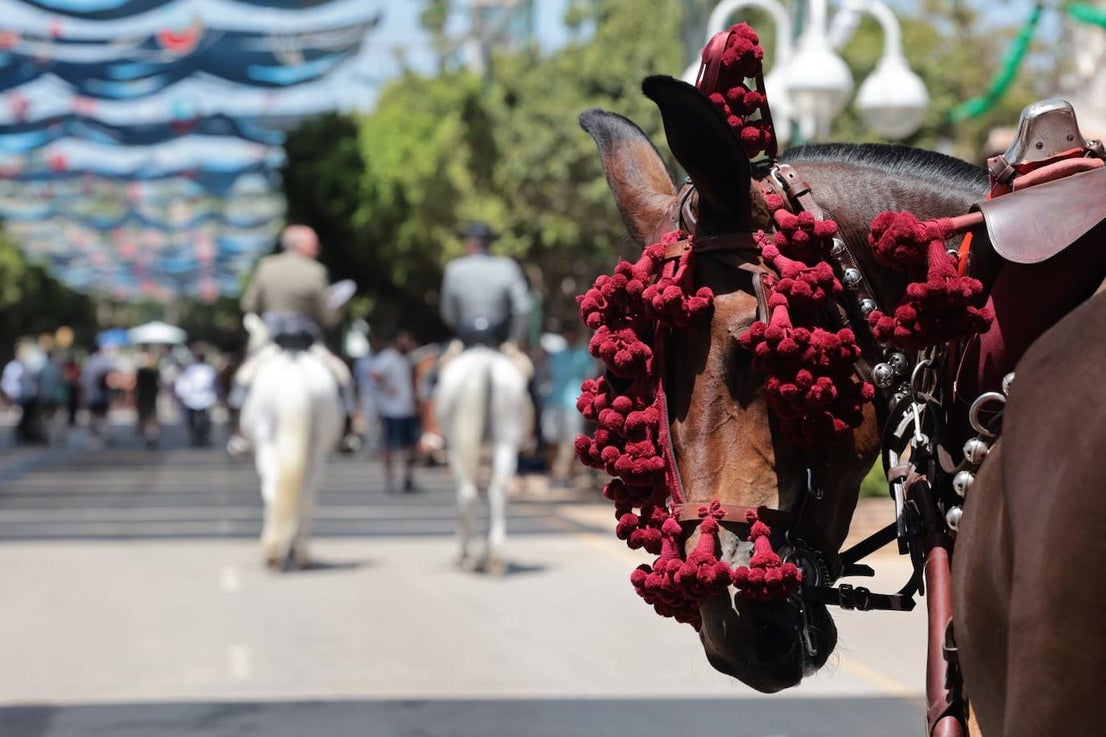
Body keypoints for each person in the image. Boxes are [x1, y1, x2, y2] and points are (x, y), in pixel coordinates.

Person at [231, 224, 355, 453]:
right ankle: (348, 431)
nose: (317, 249)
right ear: (299, 245)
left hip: (272, 338)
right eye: (313, 244)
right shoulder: (316, 270)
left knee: (244, 377)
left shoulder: (266, 266)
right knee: (341, 376)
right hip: (307, 339)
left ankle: (238, 432)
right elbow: (326, 317)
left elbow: (249, 305)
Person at [439, 222, 532, 354]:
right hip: (499, 339)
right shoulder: (507, 266)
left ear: (469, 242)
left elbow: (448, 313)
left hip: (466, 338)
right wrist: (514, 339)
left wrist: (459, 326)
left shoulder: (454, 269)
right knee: (528, 372)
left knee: (436, 371)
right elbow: (523, 307)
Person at [542, 325, 598, 487]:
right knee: (551, 438)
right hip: (554, 400)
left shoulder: (582, 355)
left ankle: (570, 474)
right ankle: (552, 473)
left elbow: (590, 376)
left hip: (573, 403)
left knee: (574, 440)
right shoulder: (555, 355)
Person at [370, 330, 420, 493]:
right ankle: (390, 479)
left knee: (411, 448)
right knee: (389, 447)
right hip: (392, 410)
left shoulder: (408, 358)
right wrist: (386, 388)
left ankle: (408, 479)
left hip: (409, 409)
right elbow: (375, 373)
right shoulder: (387, 357)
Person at [175, 348, 218, 447]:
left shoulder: (206, 369)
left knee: (203, 420)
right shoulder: (194, 369)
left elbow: (214, 384)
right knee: (196, 419)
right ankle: (197, 436)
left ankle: (202, 436)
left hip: (203, 398)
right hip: (194, 398)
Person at [134, 348, 162, 448]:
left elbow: (137, 385)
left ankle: (149, 436)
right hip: (149, 397)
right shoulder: (154, 371)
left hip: (144, 397)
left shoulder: (143, 371)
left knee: (147, 417)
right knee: (150, 417)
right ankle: (151, 437)